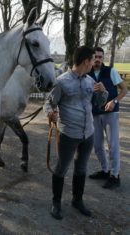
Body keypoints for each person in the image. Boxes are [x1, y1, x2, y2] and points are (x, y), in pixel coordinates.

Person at [44, 46, 108, 220]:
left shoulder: (90, 81)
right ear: (86, 61)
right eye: (93, 59)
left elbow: (100, 103)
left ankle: (77, 201)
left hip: (88, 134)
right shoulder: (61, 82)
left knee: (81, 169)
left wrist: (103, 92)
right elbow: (49, 103)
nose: (95, 62)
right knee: (61, 169)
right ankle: (56, 202)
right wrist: (51, 113)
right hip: (69, 135)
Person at [88, 47, 128, 189]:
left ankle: (115, 175)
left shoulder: (111, 71)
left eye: (100, 57)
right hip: (95, 114)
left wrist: (114, 101)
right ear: (92, 58)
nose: (98, 59)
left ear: (103, 58)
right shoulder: (88, 74)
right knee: (97, 145)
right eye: (95, 57)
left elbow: (124, 89)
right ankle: (105, 170)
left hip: (111, 113)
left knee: (113, 145)